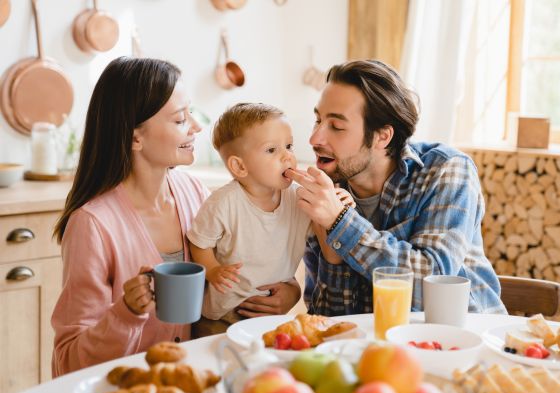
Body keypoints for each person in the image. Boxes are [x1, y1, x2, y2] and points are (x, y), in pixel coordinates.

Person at [284, 59, 507, 316]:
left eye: (336, 126)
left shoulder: (446, 169)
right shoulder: (325, 191)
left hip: (465, 343)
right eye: (318, 120)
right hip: (379, 349)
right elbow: (331, 322)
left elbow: (432, 286)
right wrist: (332, 259)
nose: (314, 139)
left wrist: (341, 224)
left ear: (382, 136)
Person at [50, 57, 211, 377]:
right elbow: (69, 359)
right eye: (180, 119)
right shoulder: (92, 225)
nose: (196, 126)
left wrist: (283, 291)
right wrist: (126, 313)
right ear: (135, 136)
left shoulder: (195, 193)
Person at [187, 103, 353, 336]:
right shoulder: (222, 203)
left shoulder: (298, 198)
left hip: (271, 314)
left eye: (288, 146)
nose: (288, 156)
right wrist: (213, 270)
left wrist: (336, 212)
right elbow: (199, 241)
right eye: (272, 150)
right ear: (240, 166)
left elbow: (330, 252)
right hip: (223, 314)